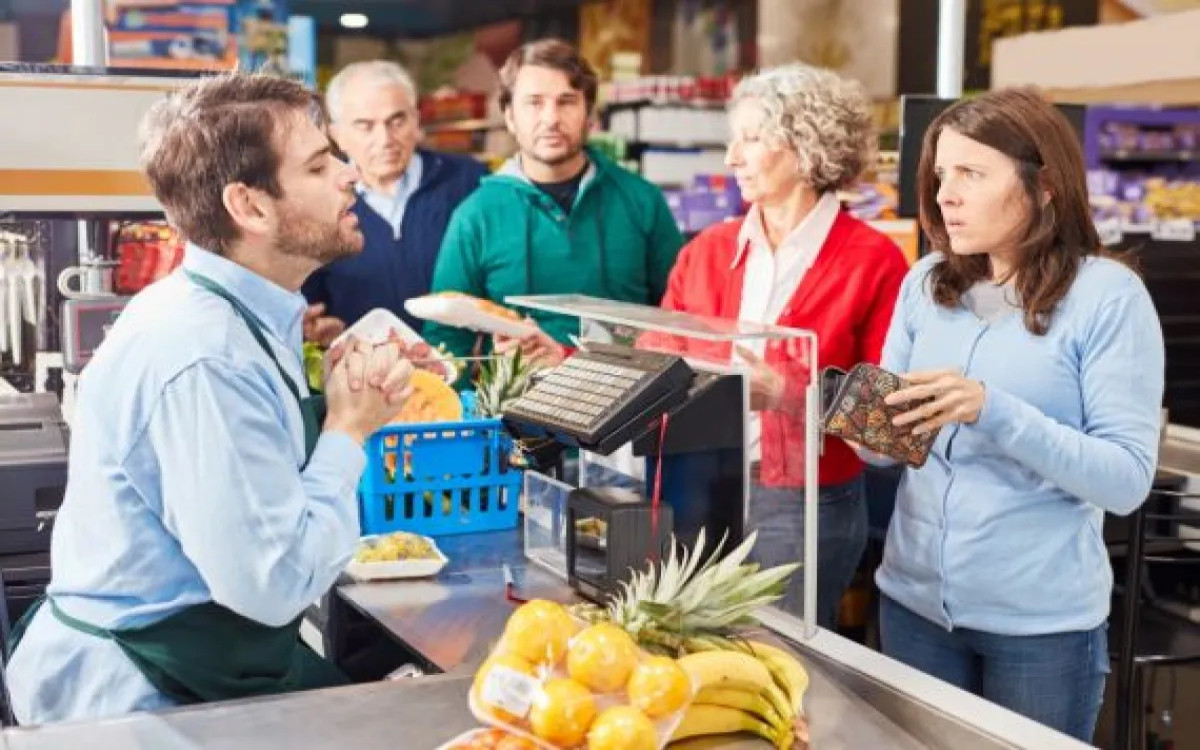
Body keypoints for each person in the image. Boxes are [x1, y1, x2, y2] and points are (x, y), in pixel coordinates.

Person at [7, 73, 417, 724]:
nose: (351, 175)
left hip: (198, 663)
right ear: (249, 206)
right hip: (138, 696)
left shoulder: (246, 314)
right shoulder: (205, 355)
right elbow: (275, 582)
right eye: (319, 165)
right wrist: (348, 428)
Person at [875, 88, 1164, 742]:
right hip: (913, 607)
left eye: (971, 174)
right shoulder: (926, 281)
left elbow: (1125, 480)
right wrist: (852, 417)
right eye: (941, 174)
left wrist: (992, 409)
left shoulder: (1108, 297)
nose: (946, 195)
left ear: (1046, 186)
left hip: (1040, 629)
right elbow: (886, 444)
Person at [651, 63, 907, 630]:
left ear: (807, 146)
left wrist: (790, 395)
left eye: (751, 138)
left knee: (778, 660)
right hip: (700, 487)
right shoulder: (707, 250)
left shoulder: (874, 261)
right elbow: (654, 355)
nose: (731, 158)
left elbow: (889, 428)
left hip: (803, 506)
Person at [425, 39, 684, 365]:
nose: (551, 118)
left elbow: (681, 317)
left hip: (629, 392)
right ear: (509, 116)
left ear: (590, 114)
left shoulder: (642, 202)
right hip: (518, 395)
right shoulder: (475, 216)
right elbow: (447, 340)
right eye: (534, 103)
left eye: (566, 102)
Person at [302, 60, 488, 338]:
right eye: (365, 126)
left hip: (464, 360)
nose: (385, 139)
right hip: (364, 361)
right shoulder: (317, 204)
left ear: (417, 121)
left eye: (397, 121)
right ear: (337, 135)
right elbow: (308, 304)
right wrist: (316, 331)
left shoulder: (469, 181)